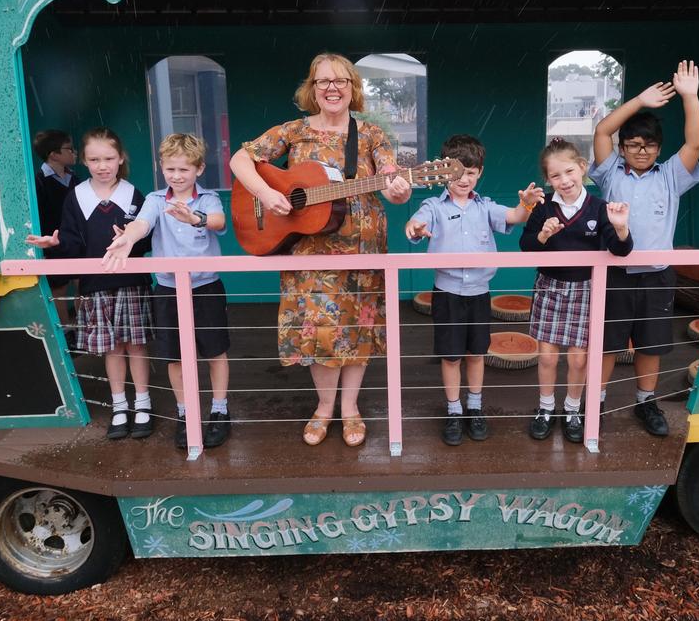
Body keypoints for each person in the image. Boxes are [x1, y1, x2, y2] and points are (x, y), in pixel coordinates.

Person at [229, 53, 411, 448]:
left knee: (357, 330)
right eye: (323, 81)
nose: (332, 88)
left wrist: (399, 188)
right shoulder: (293, 131)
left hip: (362, 250)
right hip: (310, 251)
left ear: (353, 89)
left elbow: (391, 177)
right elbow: (241, 158)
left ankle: (350, 409)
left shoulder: (371, 135)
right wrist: (264, 191)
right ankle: (324, 407)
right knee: (321, 332)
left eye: (341, 81)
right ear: (311, 89)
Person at [405, 134, 544, 445]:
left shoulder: (486, 207)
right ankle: (454, 411)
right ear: (442, 172)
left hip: (480, 294)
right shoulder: (433, 206)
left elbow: (514, 217)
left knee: (477, 353)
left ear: (479, 172)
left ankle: (475, 408)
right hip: (448, 294)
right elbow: (415, 222)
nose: (463, 179)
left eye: (470, 172)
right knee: (452, 357)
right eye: (455, 172)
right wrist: (413, 227)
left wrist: (526, 204)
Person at [589, 60, 699, 437]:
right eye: (633, 145)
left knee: (651, 345)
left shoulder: (671, 175)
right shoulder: (609, 172)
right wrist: (640, 100)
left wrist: (690, 97)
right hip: (614, 272)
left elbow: (696, 142)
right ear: (622, 149)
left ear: (658, 148)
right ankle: (597, 400)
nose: (641, 151)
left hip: (657, 276)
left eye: (649, 145)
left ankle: (645, 401)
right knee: (607, 344)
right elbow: (602, 129)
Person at [105, 133, 232, 451]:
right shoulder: (155, 200)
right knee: (174, 356)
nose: (177, 176)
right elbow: (141, 224)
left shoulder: (208, 198)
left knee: (215, 352)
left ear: (199, 169)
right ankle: (185, 413)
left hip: (205, 288)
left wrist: (195, 218)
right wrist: (128, 239)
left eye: (184, 170)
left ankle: (219, 410)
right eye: (171, 169)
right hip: (167, 289)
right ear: (162, 167)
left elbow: (218, 221)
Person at [26, 128, 153, 440]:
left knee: (136, 346)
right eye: (94, 159)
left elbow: (146, 239)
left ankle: (144, 405)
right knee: (112, 348)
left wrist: (131, 239)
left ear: (120, 158)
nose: (102, 165)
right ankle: (120, 406)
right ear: (83, 160)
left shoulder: (134, 194)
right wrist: (54, 243)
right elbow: (72, 244)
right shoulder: (77, 196)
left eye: (109, 158)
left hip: (132, 281)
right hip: (95, 284)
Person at [519, 138, 632, 442]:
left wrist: (621, 228)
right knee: (546, 358)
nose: (564, 180)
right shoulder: (543, 207)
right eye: (556, 176)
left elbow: (621, 250)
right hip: (550, 287)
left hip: (586, 289)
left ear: (582, 168)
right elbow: (526, 247)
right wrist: (542, 234)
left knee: (579, 359)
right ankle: (545, 409)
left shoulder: (599, 206)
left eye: (569, 171)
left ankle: (572, 411)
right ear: (547, 179)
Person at [32, 129, 81, 331]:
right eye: (69, 149)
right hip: (52, 244)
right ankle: (65, 330)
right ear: (53, 154)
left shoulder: (75, 179)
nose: (74, 153)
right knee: (58, 287)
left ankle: (83, 328)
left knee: (83, 283)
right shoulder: (38, 181)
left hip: (78, 241)